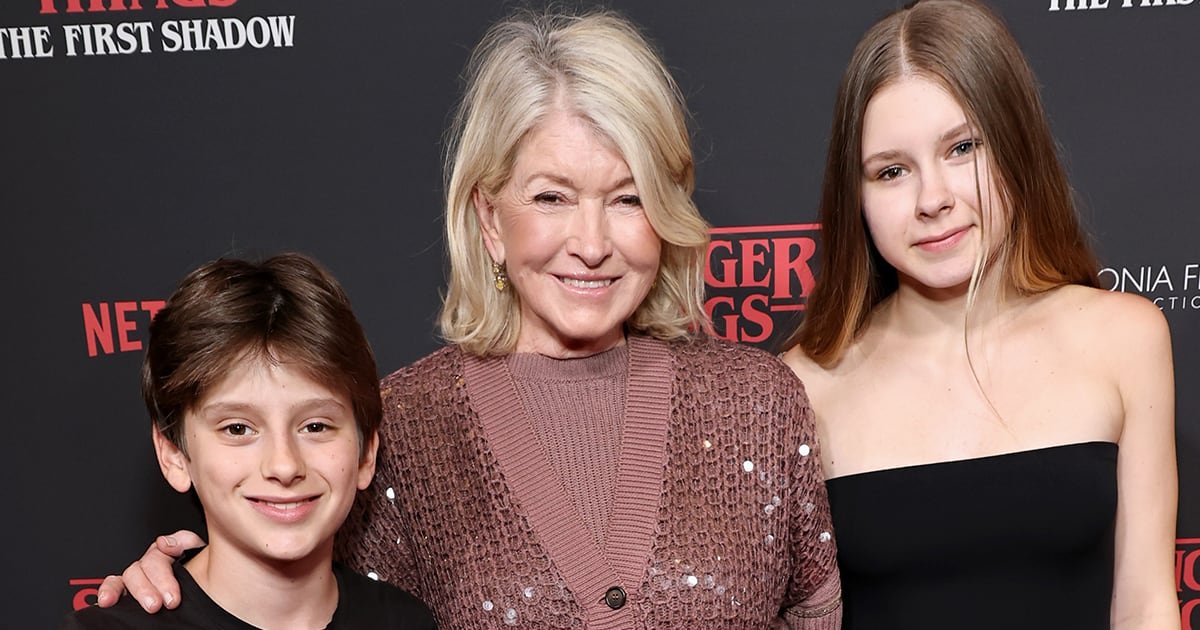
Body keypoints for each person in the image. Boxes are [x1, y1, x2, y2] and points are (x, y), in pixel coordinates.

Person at [95, 10, 842, 629]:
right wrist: (174, 600)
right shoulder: (403, 429)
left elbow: (817, 614)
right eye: (551, 197)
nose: (591, 243)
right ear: (489, 218)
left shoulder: (759, 403)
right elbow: (302, 600)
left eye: (629, 197)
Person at [780, 1, 1178, 628]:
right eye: (891, 171)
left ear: (1017, 145)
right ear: (855, 195)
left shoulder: (1124, 338)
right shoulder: (802, 387)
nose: (932, 199)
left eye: (962, 147)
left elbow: (1146, 606)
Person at [66, 254, 437, 629]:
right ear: (174, 454)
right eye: (238, 429)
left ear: (366, 452)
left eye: (315, 426)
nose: (284, 465)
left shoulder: (406, 622)